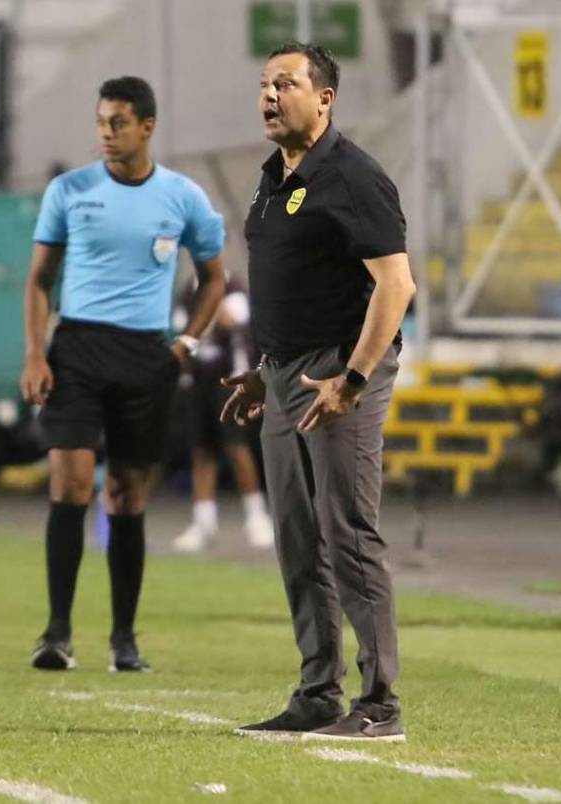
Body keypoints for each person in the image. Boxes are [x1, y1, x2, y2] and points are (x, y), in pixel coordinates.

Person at [221, 44, 416, 741]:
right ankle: (316, 693)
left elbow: (397, 286)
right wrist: (260, 368)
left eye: (287, 83)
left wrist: (355, 379)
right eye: (265, 83)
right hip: (283, 374)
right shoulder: (272, 177)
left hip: (338, 371)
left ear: (325, 98)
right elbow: (286, 280)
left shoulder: (353, 177)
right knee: (298, 538)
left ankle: (381, 703)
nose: (270, 94)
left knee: (347, 532)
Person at [21, 76, 227, 673]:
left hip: (146, 356)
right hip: (77, 348)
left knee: (127, 496)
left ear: (147, 126)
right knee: (72, 484)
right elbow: (38, 280)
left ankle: (124, 639)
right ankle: (57, 633)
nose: (106, 134)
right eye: (101, 123)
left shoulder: (183, 197)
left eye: (118, 123)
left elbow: (214, 277)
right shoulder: (69, 191)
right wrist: (35, 353)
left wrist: (187, 341)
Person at [172, 277, 273, 552]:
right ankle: (203, 522)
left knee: (236, 447)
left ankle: (256, 517)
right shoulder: (188, 290)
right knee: (201, 451)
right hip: (197, 380)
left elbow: (232, 320)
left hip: (228, 380)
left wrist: (207, 303)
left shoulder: (233, 286)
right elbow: (182, 329)